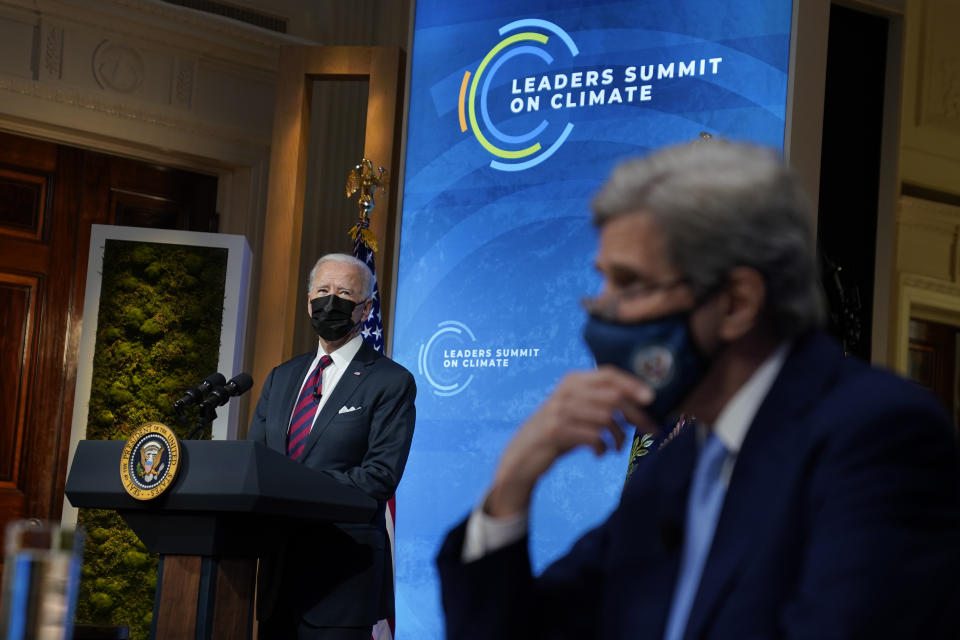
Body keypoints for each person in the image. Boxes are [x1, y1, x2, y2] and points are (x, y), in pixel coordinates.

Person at [436, 141, 960, 639]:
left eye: (631, 284)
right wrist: (514, 480)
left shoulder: (877, 433)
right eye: (604, 282)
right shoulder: (678, 464)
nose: (603, 309)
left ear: (736, 303)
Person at [249, 253, 416, 640]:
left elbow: (380, 476)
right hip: (277, 578)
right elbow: (257, 464)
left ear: (365, 308)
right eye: (323, 290)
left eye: (344, 293)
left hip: (341, 580)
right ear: (308, 301)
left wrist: (296, 486)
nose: (330, 301)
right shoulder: (281, 377)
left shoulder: (391, 381)